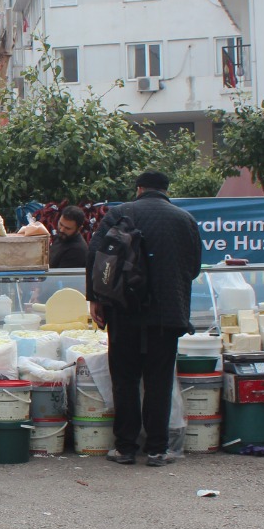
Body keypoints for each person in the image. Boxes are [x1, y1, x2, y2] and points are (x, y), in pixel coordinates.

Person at [85, 171, 201, 467]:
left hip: (124, 311)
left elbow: (95, 257)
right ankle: (157, 449)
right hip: (168, 314)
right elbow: (194, 266)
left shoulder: (120, 213)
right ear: (165, 190)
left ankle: (125, 447)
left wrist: (95, 299)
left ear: (139, 189)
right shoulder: (184, 219)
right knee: (159, 380)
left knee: (124, 379)